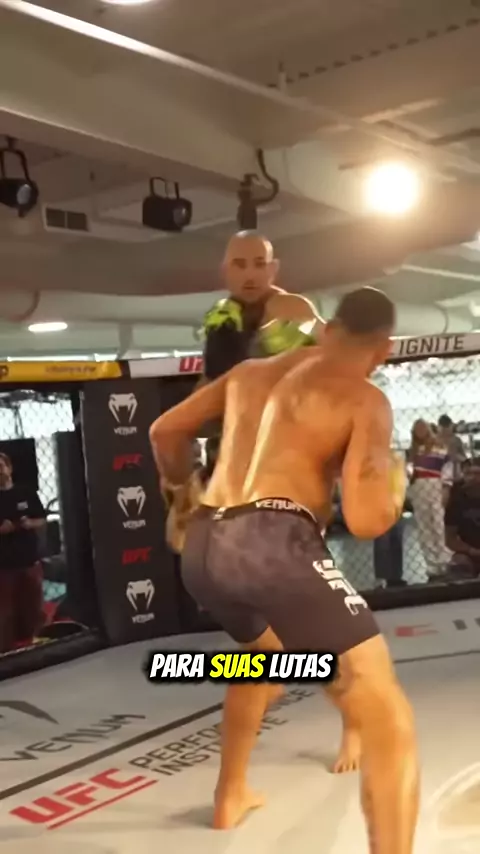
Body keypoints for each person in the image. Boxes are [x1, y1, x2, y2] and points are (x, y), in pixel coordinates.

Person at [150, 286, 418, 854]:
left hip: (206, 546)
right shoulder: (363, 396)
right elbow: (366, 520)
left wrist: (178, 489)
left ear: (330, 329)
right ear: (384, 348)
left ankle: (230, 794)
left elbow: (165, 432)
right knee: (389, 721)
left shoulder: (248, 373)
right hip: (273, 543)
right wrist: (394, 484)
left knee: (262, 663)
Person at [201, 230, 324, 381]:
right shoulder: (221, 317)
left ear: (273, 269)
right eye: (239, 265)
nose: (250, 275)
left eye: (259, 264)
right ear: (226, 270)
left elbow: (340, 350)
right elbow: (208, 380)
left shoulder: (290, 307)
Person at [0, 453, 47, 652]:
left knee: (34, 607)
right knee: (5, 612)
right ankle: (6, 651)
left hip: (29, 561)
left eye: (0, 466)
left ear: (9, 468)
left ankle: (38, 644)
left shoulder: (26, 492)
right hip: (4, 566)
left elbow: (42, 519)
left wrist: (29, 523)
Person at [407, 419, 452, 581]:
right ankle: (431, 564)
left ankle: (443, 560)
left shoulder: (440, 448)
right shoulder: (412, 452)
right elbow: (408, 473)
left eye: (422, 427)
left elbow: (447, 470)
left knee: (438, 524)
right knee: (424, 526)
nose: (420, 431)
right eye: (417, 428)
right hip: (418, 488)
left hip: (435, 485)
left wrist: (446, 488)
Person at [444, 456, 480, 579]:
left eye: (477, 473)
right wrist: (471, 551)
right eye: (468, 474)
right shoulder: (457, 501)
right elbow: (450, 539)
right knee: (458, 565)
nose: (473, 478)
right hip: (469, 552)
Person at [437, 414, 466, 481]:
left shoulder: (456, 440)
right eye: (444, 428)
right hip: (442, 473)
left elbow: (464, 458)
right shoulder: (436, 440)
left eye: (447, 427)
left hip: (456, 472)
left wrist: (457, 456)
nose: (446, 430)